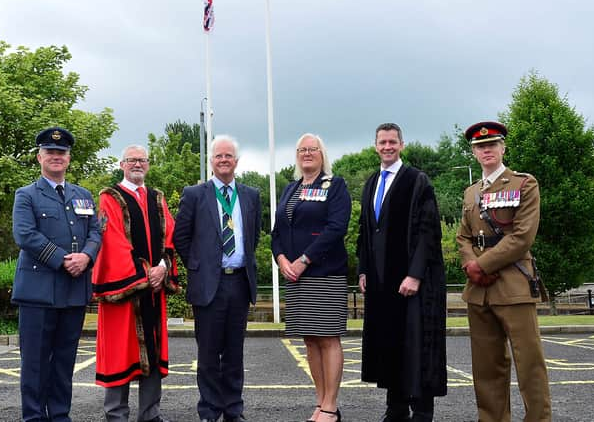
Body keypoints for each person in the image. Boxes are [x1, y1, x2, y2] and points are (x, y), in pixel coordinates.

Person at [456, 121, 551, 422]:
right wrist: (471, 266)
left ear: (503, 148)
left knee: (529, 365)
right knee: (486, 368)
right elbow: (463, 237)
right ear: (473, 152)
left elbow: (522, 237)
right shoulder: (471, 192)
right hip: (479, 291)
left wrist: (481, 265)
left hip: (514, 285)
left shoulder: (524, 183)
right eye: (480, 147)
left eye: (492, 145)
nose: (486, 150)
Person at [357, 123, 447, 422]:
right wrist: (363, 270)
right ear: (375, 145)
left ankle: (422, 409)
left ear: (402, 145)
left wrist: (415, 274)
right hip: (381, 282)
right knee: (389, 344)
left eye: (392, 142)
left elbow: (428, 231)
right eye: (382, 142)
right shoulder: (371, 183)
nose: (387, 147)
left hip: (411, 282)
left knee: (417, 345)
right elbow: (365, 231)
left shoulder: (417, 181)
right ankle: (396, 407)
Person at [11, 127, 101, 422]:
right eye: (50, 152)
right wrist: (64, 259)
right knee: (35, 363)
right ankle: (35, 418)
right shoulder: (26, 195)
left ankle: (60, 415)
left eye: (61, 153)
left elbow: (96, 232)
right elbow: (25, 235)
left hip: (73, 291)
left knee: (64, 361)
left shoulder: (83, 196)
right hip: (37, 292)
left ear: (69, 158)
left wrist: (87, 256)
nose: (56, 157)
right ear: (39, 157)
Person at [173, 136, 261, 422]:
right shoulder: (195, 194)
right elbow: (181, 238)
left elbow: (254, 235)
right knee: (209, 354)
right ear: (211, 161)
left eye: (229, 156)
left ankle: (233, 409)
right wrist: (198, 267)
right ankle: (209, 411)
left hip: (239, 283)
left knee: (235, 354)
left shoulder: (251, 195)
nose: (224, 160)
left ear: (236, 161)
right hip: (209, 285)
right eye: (218, 156)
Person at [92, 144, 180, 422]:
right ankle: (116, 414)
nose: (137, 164)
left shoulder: (157, 198)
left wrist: (163, 268)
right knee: (120, 352)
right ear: (122, 164)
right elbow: (112, 241)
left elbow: (171, 235)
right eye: (131, 160)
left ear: (148, 165)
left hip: (153, 292)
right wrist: (145, 275)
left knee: (152, 352)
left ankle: (150, 415)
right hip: (124, 292)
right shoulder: (110, 197)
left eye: (142, 160)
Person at [271, 133, 351, 422]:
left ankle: (331, 405)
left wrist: (304, 260)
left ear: (322, 154)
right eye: (301, 150)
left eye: (312, 149)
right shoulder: (289, 189)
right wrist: (281, 259)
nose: (307, 153)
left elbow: (336, 228)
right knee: (310, 340)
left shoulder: (335, 185)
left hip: (324, 273)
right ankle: (320, 402)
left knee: (328, 339)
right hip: (295, 276)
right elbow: (277, 232)